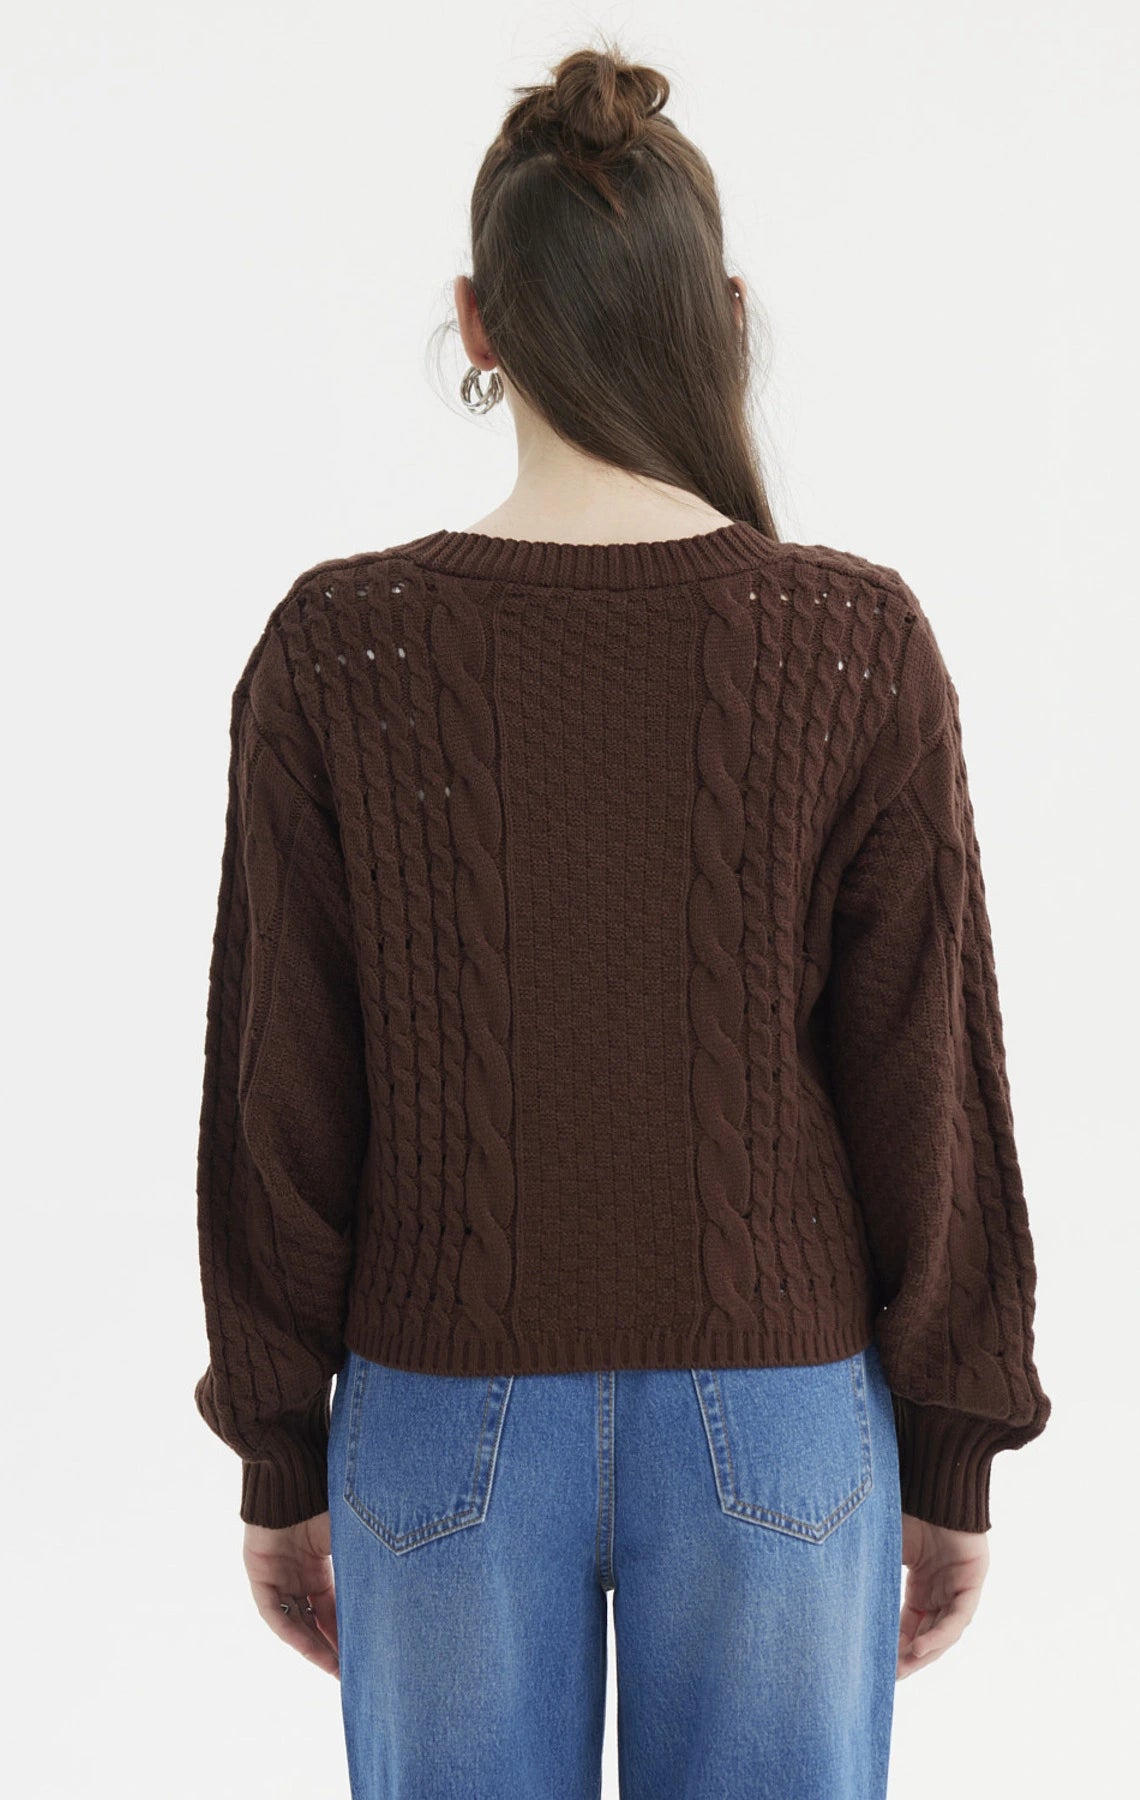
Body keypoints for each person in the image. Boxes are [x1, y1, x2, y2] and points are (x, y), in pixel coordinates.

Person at [192, 38, 1051, 1800]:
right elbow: (925, 1087)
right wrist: (951, 1449)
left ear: (477, 321)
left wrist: (279, 1450)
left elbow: (282, 1097)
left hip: (436, 1407)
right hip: (779, 1407)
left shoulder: (339, 654)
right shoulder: (853, 647)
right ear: (719, 317)